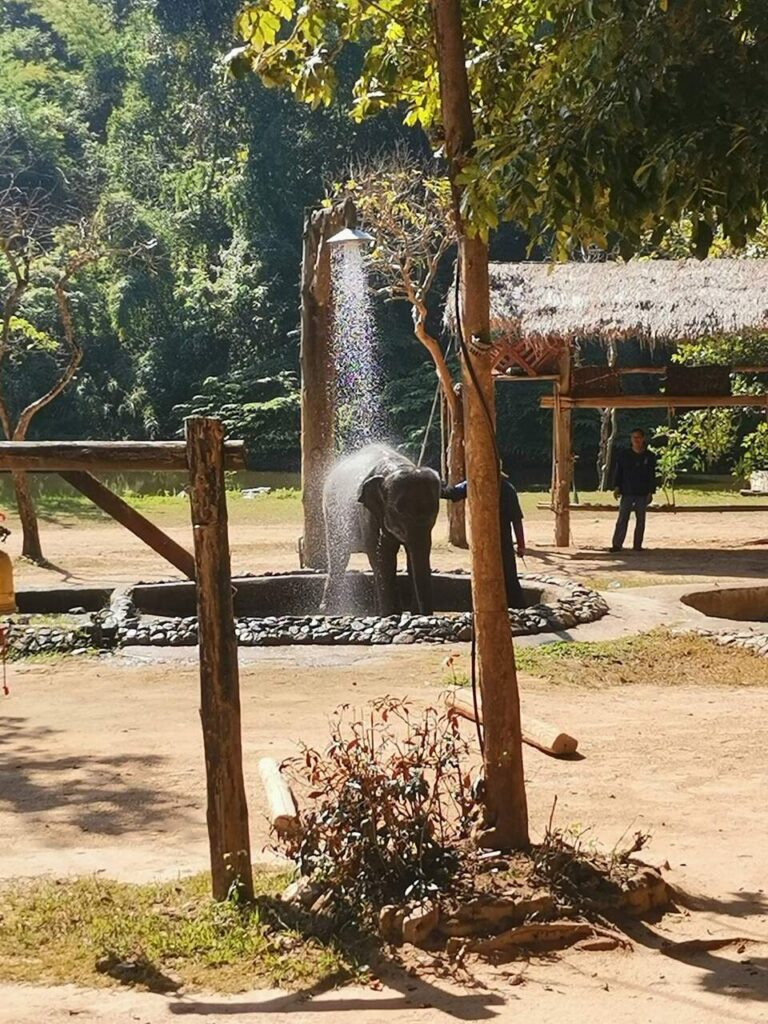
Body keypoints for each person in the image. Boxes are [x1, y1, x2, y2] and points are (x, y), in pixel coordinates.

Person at [443, 471, 526, 607]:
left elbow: (451, 493)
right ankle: (516, 607)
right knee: (508, 575)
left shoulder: (475, 484)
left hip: (485, 542)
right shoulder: (507, 488)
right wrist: (521, 545)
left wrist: (435, 484)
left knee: (498, 575)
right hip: (500, 541)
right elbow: (516, 520)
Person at [610, 428, 658, 552]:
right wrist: (617, 487)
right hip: (627, 491)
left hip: (642, 493)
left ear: (643, 439)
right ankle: (617, 544)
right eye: (633, 437)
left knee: (640, 520)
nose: (636, 440)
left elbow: (652, 476)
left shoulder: (649, 456)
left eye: (638, 437)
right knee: (622, 519)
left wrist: (651, 492)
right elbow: (618, 472)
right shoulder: (624, 455)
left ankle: (637, 545)